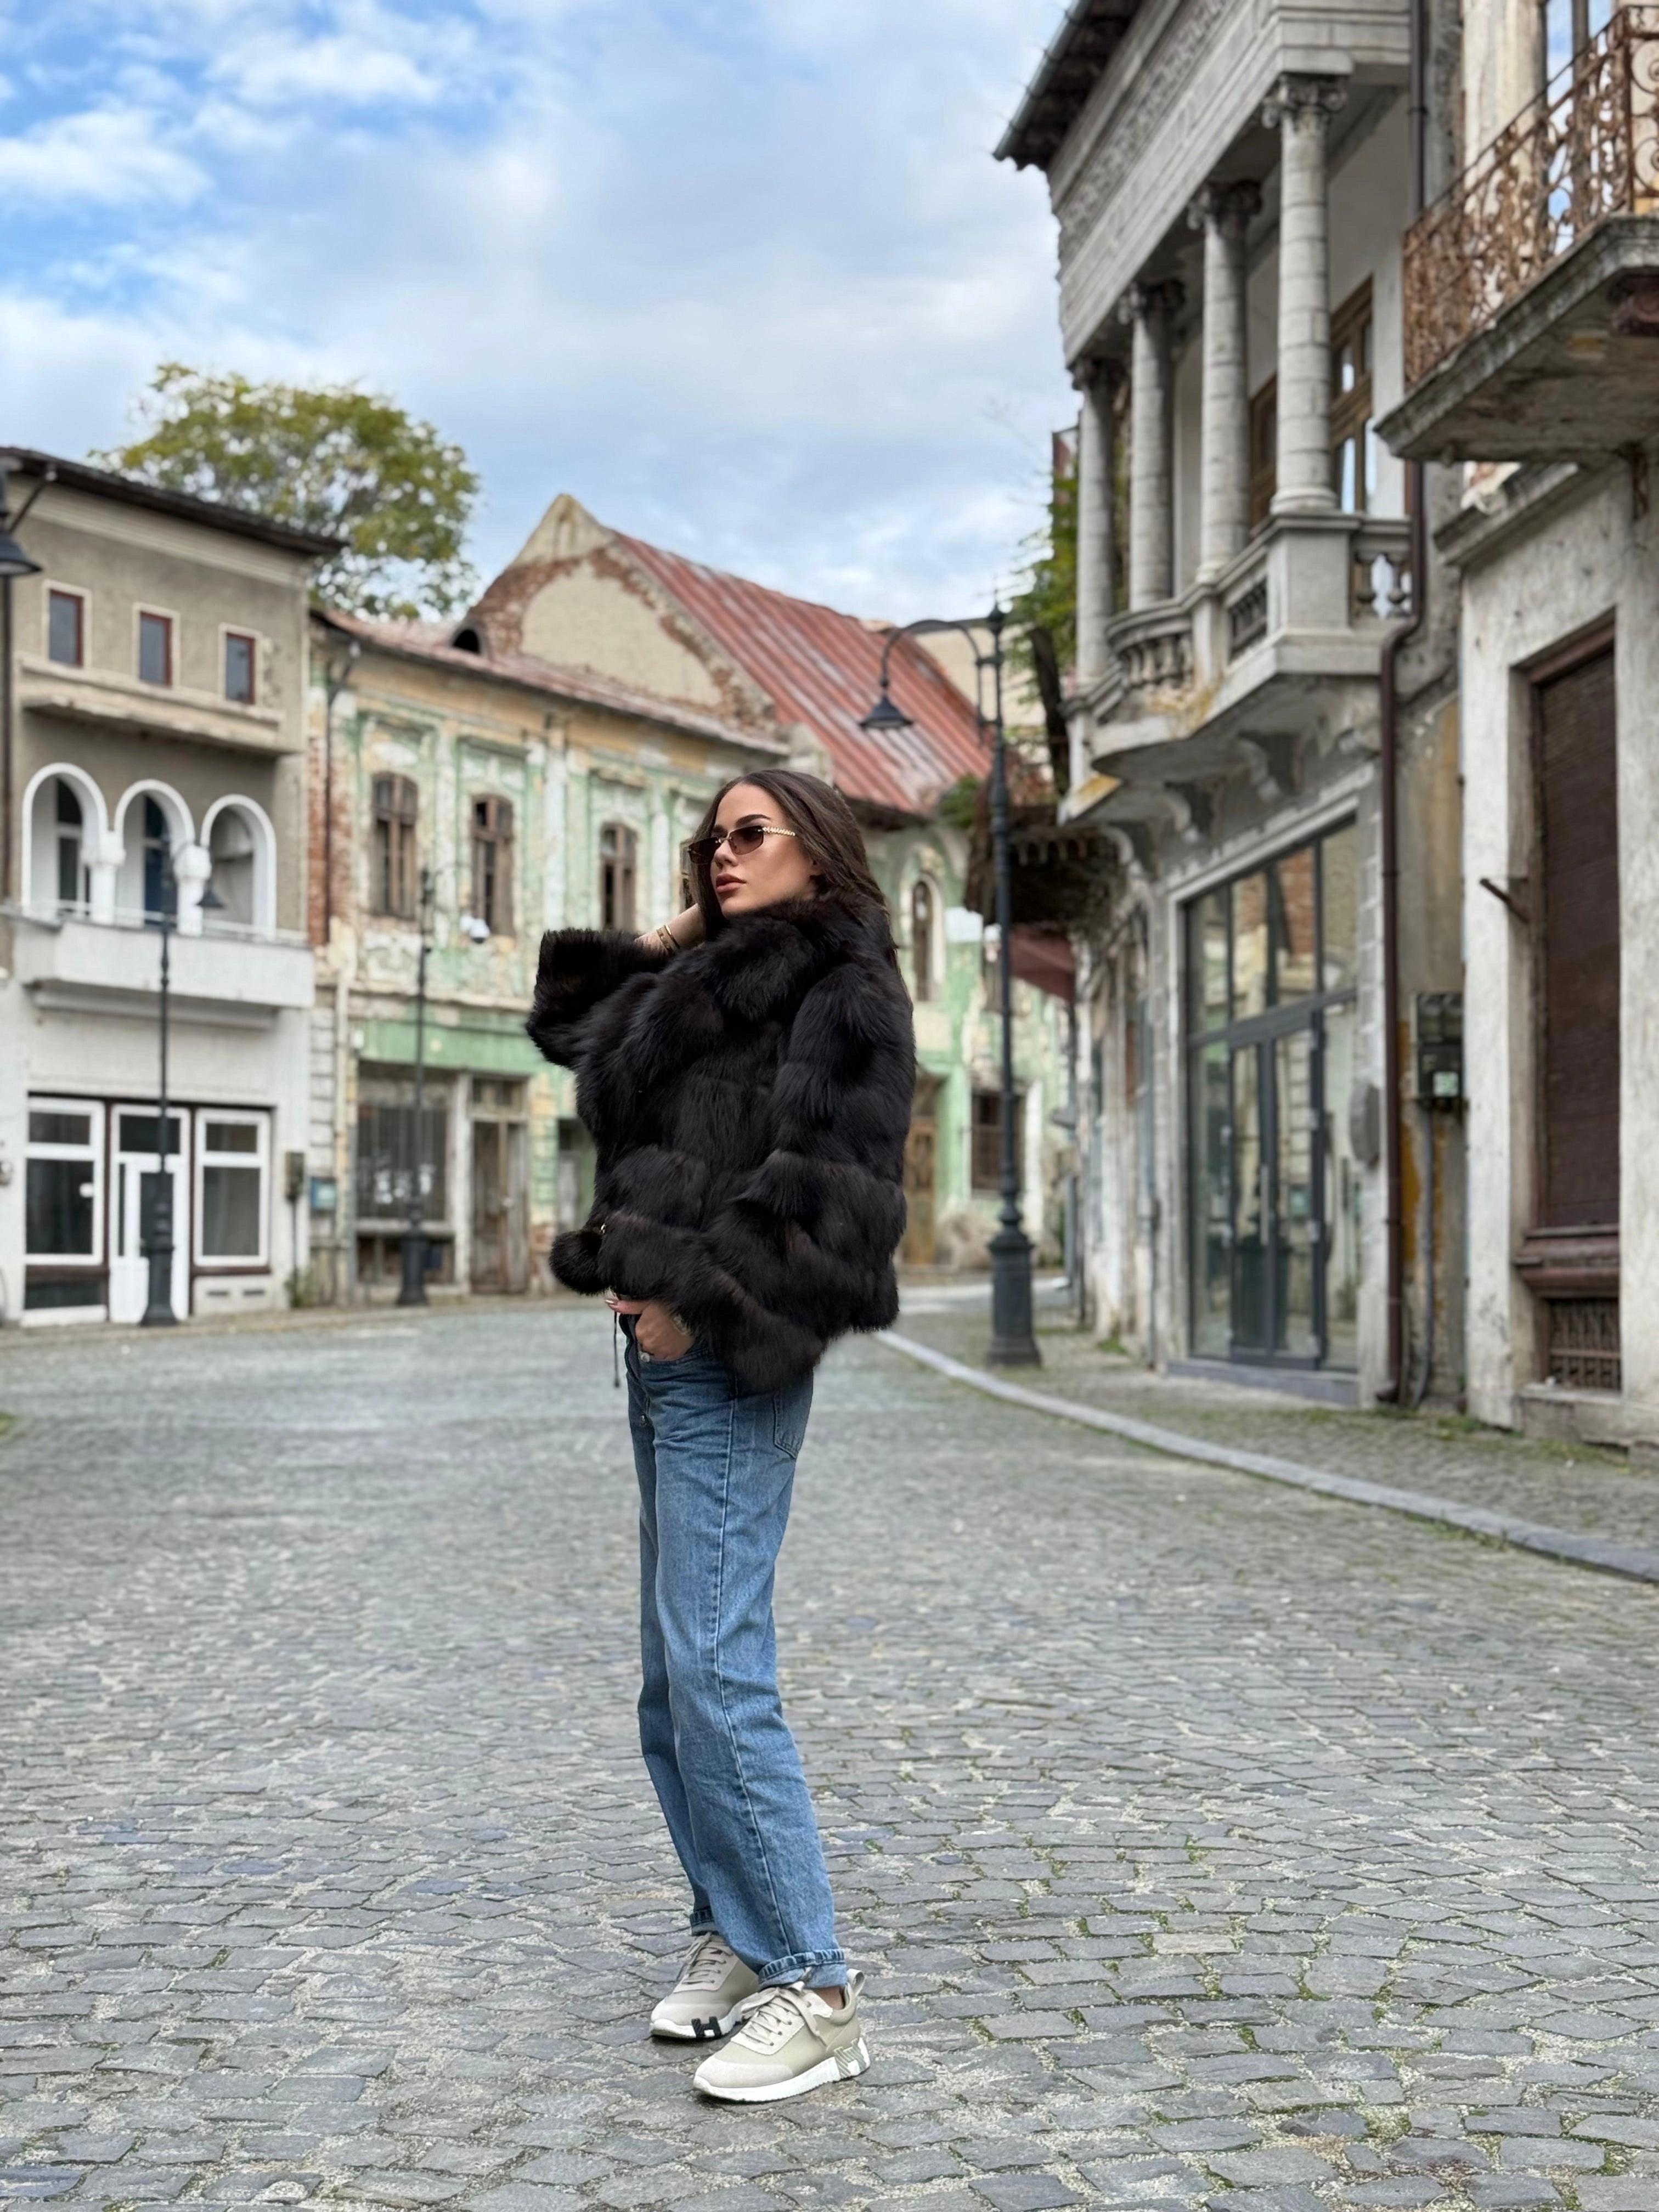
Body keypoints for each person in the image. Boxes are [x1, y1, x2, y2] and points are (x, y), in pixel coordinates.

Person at [526, 768, 915, 2104]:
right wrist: (685, 923)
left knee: (719, 1669)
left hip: (725, 1356)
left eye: (750, 835)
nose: (723, 853)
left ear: (820, 847)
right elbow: (570, 1031)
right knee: (670, 1680)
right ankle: (737, 1938)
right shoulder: (712, 973)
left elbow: (839, 1202)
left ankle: (817, 1987)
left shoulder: (844, 991)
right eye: (712, 838)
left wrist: (694, 1300)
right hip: (659, 1357)